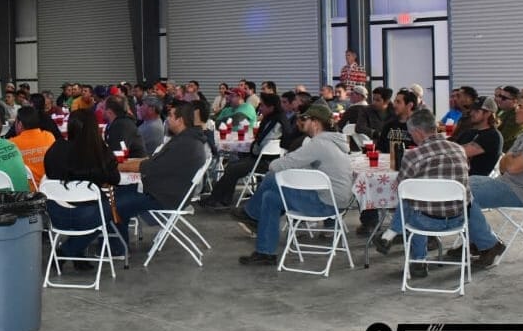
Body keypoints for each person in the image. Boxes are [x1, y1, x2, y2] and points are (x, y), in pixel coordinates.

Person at [232, 104, 352, 266]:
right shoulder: (333, 142)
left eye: (305, 119)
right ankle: (265, 251)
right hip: (336, 201)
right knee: (271, 198)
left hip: (326, 203)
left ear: (315, 123)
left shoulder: (319, 144)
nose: (302, 122)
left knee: (272, 178)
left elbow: (278, 166)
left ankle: (251, 215)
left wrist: (279, 165)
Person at [456, 94, 523, 269]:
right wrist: (510, 159)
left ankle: (490, 245)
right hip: (506, 184)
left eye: (521, 107)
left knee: (460, 193)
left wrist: (510, 159)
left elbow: (511, 167)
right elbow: (504, 164)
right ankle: (476, 243)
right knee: (462, 182)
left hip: (518, 192)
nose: (515, 110)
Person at [371, 109, 470, 278]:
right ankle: (392, 236)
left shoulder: (413, 156)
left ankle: (417, 260)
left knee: (411, 198)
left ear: (417, 132)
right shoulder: (459, 149)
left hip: (427, 222)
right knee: (418, 197)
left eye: (411, 134)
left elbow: (401, 187)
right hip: (459, 219)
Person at [113, 101, 208, 249]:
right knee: (118, 194)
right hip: (169, 192)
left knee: (114, 206)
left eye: (170, 116)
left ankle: (116, 248)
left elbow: (148, 167)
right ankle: (117, 245)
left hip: (163, 197)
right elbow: (155, 162)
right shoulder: (190, 140)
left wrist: (118, 166)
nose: (167, 119)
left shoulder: (184, 143)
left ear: (180, 120)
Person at [43, 109, 121, 262]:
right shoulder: (99, 154)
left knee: (79, 202)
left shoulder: (55, 149)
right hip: (87, 217)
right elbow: (115, 179)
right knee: (114, 208)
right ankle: (68, 250)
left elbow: (50, 175)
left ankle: (77, 252)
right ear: (94, 128)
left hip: (56, 215)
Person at [199, 93, 286, 209]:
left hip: (267, 161)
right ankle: (222, 199)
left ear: (271, 107)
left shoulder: (276, 122)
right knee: (232, 166)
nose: (260, 108)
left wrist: (254, 147)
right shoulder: (272, 118)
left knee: (234, 168)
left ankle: (217, 199)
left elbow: (265, 143)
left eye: (263, 106)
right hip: (261, 158)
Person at [454, 96, 504, 178]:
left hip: (476, 182)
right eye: (472, 110)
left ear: (488, 113)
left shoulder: (493, 136)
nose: (471, 113)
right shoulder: (469, 131)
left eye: (476, 111)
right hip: (460, 177)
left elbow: (459, 152)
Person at [8, 107, 55, 185]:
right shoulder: (49, 136)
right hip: (49, 187)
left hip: (28, 190)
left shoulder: (12, 144)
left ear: (20, 124)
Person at [495, 85, 523, 152]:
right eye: (500, 96)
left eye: (504, 98)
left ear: (515, 101)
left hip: (507, 153)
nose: (499, 99)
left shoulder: (517, 116)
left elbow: (503, 137)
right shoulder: (501, 110)